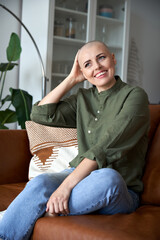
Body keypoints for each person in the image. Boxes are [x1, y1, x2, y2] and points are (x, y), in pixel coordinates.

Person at [0, 41, 150, 240]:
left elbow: (103, 148)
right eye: (87, 64)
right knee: (42, 181)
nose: (96, 67)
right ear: (82, 71)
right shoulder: (83, 99)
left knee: (108, 177)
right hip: (77, 176)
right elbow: (40, 114)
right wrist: (71, 79)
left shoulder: (135, 96)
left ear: (113, 58)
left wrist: (64, 188)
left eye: (101, 58)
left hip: (118, 188)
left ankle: (37, 212)